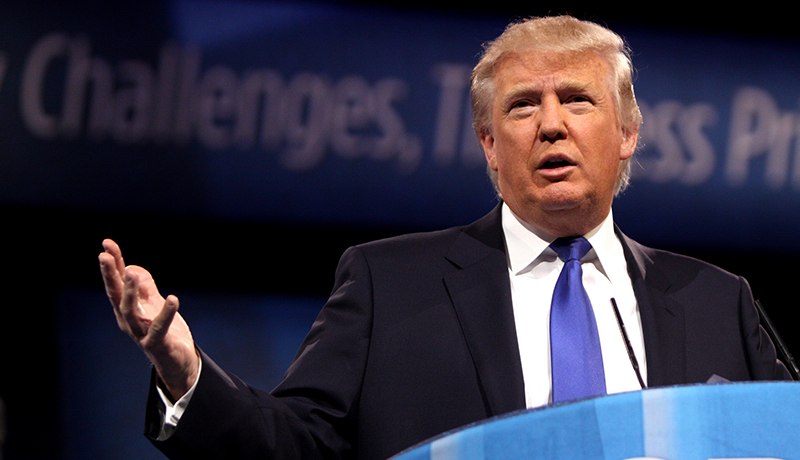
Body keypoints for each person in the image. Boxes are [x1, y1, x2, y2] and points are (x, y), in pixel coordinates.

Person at [99, 15, 790, 460]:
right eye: (523, 106)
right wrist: (185, 370)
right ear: (490, 145)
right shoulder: (388, 285)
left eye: (577, 100)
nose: (551, 125)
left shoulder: (715, 301)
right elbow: (294, 449)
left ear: (628, 135)